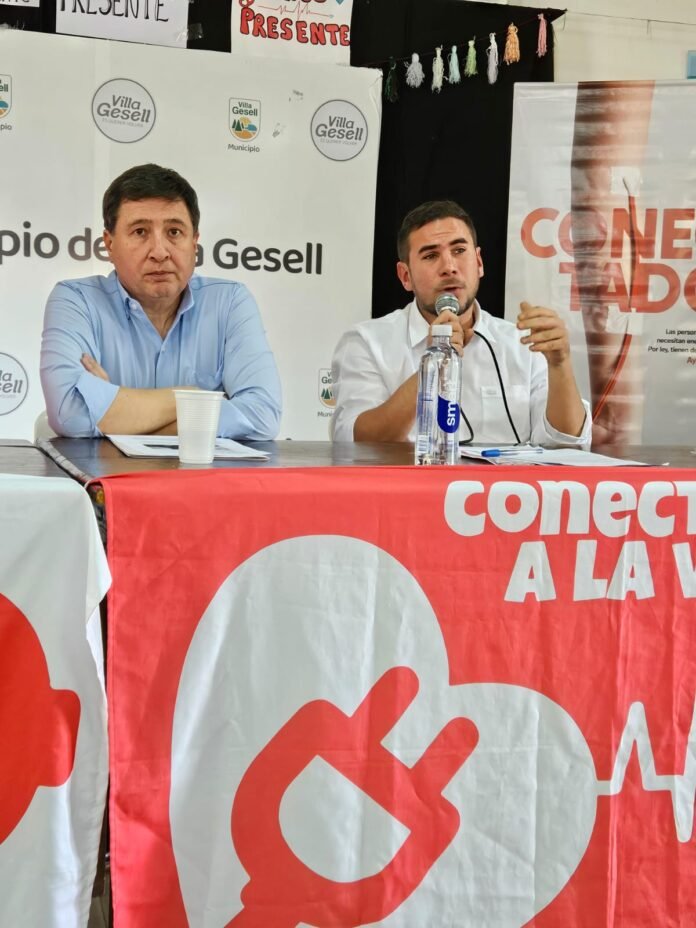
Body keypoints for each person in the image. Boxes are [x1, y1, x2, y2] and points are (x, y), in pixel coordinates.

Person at [40, 163, 281, 439]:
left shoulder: (229, 302)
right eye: (140, 232)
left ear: (194, 243)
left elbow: (262, 417)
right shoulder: (77, 301)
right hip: (104, 470)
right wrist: (194, 397)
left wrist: (115, 410)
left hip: (198, 470)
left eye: (174, 232)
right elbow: (71, 415)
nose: (159, 252)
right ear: (109, 244)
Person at [331, 200, 590, 447]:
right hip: (414, 480)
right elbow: (356, 443)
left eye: (459, 251)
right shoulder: (366, 342)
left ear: (479, 263)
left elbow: (565, 442)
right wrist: (431, 365)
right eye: (431, 255)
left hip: (502, 481)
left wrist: (560, 364)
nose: (449, 267)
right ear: (405, 276)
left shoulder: (522, 342)